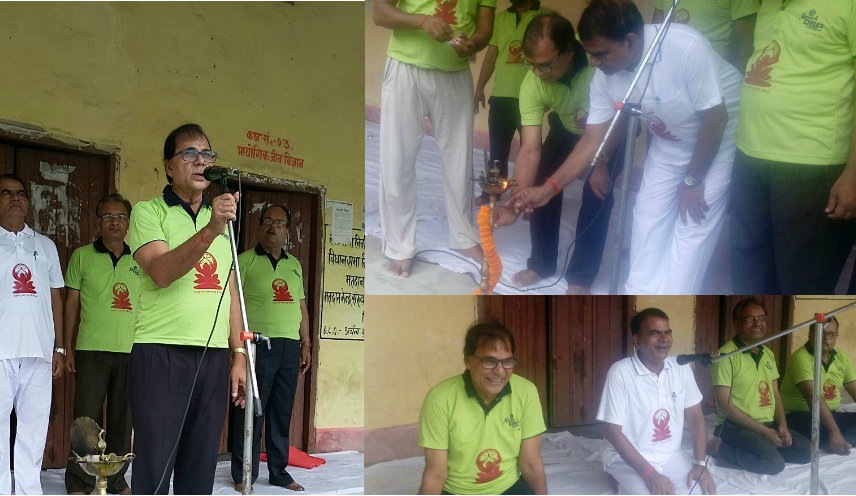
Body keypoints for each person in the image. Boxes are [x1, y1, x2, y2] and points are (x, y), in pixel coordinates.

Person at [510, 0, 741, 294]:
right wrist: (547, 189)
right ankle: (640, 293)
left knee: (690, 225)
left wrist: (693, 180)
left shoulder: (685, 47)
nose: (592, 62)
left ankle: (676, 294)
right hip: (670, 140)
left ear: (630, 42)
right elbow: (593, 139)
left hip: (716, 138)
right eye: (589, 53)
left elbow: (715, 120)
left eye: (600, 54)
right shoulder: (604, 78)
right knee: (646, 217)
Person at [127, 124, 246, 494]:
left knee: (200, 467)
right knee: (156, 466)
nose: (200, 161)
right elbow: (161, 273)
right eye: (189, 154)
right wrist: (211, 229)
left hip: (211, 358)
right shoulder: (148, 213)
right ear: (168, 166)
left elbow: (231, 290)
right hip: (160, 352)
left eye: (207, 154)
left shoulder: (222, 220)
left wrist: (238, 351)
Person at [730, 1, 856, 294]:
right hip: (750, 154)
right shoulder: (768, 5)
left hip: (812, 162)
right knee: (748, 268)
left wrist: (853, 172)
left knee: (801, 278)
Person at [493, 12, 624, 294]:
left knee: (597, 192)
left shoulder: (599, 61)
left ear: (568, 51)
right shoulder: (532, 82)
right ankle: (541, 263)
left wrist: (600, 162)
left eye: (546, 65)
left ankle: (581, 276)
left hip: (611, 132)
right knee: (540, 182)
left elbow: (622, 120)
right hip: (568, 130)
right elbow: (529, 150)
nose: (538, 73)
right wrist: (515, 205)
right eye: (533, 65)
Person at [372, 0, 495, 277]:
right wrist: (422, 22)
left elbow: (485, 29)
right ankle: (400, 246)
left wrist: (473, 44)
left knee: (460, 158)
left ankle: (463, 237)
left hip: (454, 73)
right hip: (405, 66)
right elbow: (379, 13)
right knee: (397, 159)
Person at [230, 204, 311, 492]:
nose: (272, 227)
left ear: (288, 230)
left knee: (281, 410)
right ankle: (243, 473)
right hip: (257, 345)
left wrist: (306, 343)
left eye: (279, 223)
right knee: (250, 411)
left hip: (289, 346)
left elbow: (300, 305)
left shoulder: (294, 265)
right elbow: (233, 305)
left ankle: (278, 472)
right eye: (267, 221)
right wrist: (237, 347)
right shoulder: (244, 261)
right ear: (259, 225)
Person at [63, 194, 138, 495]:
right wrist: (66, 347)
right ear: (98, 221)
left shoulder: (140, 260)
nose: (114, 222)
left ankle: (117, 481)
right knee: (86, 422)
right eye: (107, 216)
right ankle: (80, 483)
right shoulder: (82, 256)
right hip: (91, 350)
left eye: (120, 216)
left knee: (123, 421)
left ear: (128, 223)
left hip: (131, 352)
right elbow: (71, 304)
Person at [418, 322, 547, 495]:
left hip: (507, 488)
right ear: (468, 360)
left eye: (507, 361)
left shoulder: (526, 392)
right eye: (489, 361)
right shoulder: (440, 398)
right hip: (457, 492)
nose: (500, 371)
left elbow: (531, 464)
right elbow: (436, 474)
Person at [596, 308, 715, 495]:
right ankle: (618, 476)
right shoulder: (620, 372)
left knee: (699, 490)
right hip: (625, 456)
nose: (664, 339)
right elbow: (612, 431)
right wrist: (650, 475)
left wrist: (700, 464)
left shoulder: (681, 367)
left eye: (668, 333)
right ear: (637, 340)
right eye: (655, 333)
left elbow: (695, 416)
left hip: (669, 455)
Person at [0, 173, 64, 495]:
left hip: (40, 352)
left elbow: (56, 297)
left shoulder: (46, 246)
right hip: (0, 352)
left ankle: (27, 490)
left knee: (34, 430)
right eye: (7, 193)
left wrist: (61, 349)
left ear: (28, 201)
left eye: (21, 193)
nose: (15, 198)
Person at [709, 298, 810, 475]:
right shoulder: (725, 356)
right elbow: (724, 406)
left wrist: (783, 426)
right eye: (749, 319)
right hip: (734, 426)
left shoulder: (768, 354)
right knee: (774, 464)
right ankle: (720, 450)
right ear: (736, 324)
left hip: (767, 423)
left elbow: (776, 395)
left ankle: (762, 449)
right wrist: (765, 433)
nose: (757, 324)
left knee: (806, 451)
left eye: (761, 318)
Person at [473, 0, 545, 204]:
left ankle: (528, 197)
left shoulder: (544, 17)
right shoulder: (500, 19)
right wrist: (479, 88)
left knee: (531, 151)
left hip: (531, 98)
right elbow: (491, 56)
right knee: (497, 151)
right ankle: (492, 192)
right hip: (501, 97)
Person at [780, 316, 856, 455]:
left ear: (836, 336)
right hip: (802, 417)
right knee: (820, 430)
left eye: (831, 334)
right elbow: (812, 397)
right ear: (811, 334)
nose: (826, 338)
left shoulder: (841, 357)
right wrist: (834, 431)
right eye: (821, 333)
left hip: (830, 415)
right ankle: (837, 439)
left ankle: (839, 441)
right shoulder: (801, 357)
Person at [651, 0, 757, 74]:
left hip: (713, 77)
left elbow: (746, 47)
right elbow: (655, 33)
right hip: (667, 71)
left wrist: (732, 84)